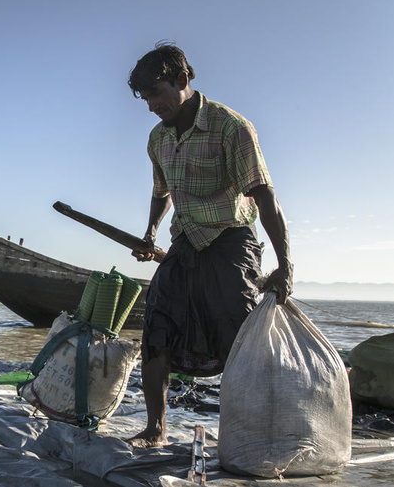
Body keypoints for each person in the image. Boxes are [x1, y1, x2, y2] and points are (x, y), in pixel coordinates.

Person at [125, 43, 293, 448]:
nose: (151, 106)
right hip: (184, 242)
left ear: (182, 80)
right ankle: (156, 429)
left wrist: (286, 264)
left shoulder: (230, 127)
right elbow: (161, 190)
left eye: (157, 93)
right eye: (145, 98)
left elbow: (264, 196)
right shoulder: (157, 138)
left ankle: (251, 432)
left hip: (230, 241)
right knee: (156, 329)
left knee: (241, 338)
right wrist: (150, 233)